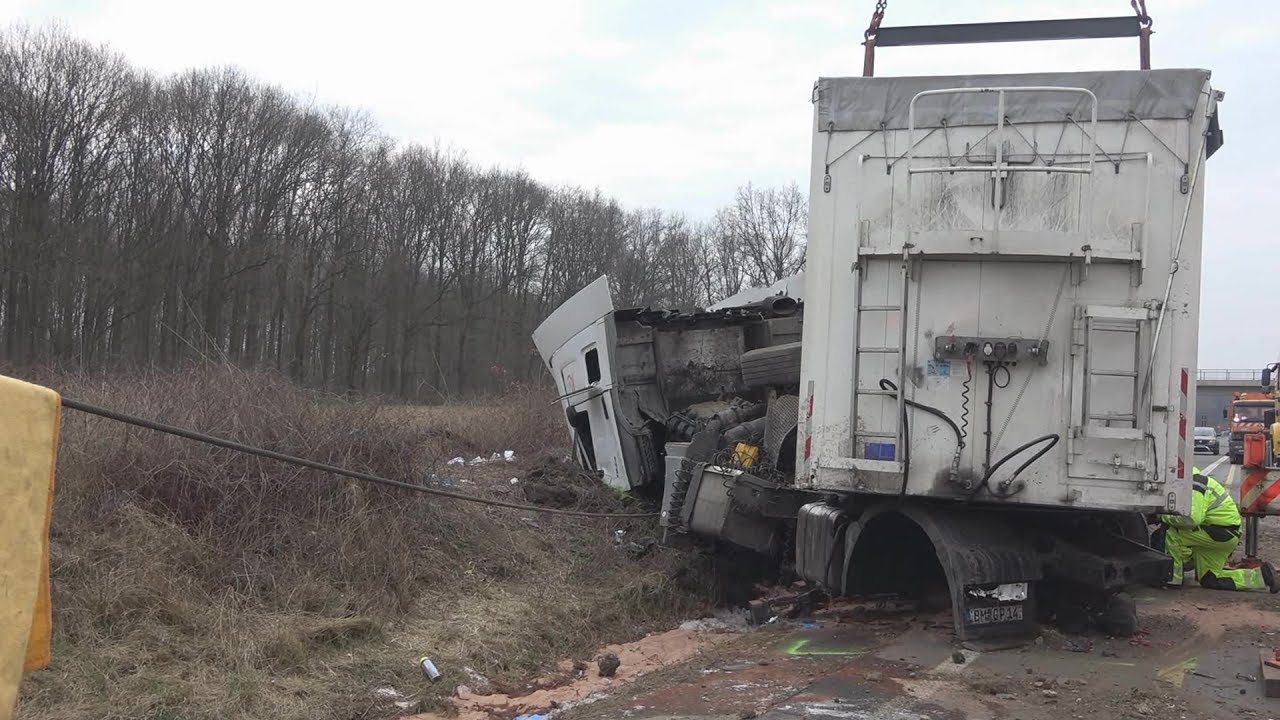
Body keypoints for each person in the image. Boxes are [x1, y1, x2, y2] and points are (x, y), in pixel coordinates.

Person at [1153, 467, 1279, 592]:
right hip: (1225, 534)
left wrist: (1162, 516)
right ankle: (1263, 577)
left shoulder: (1194, 484)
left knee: (1172, 533)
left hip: (1218, 532)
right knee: (1210, 577)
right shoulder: (1196, 482)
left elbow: (1191, 520)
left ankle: (1172, 580)